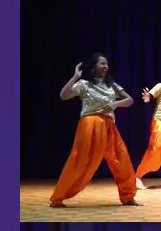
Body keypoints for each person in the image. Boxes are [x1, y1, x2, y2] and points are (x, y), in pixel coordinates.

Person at [49, 53, 139, 208]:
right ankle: (58, 197)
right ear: (93, 66)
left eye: (106, 64)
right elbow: (64, 96)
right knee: (81, 160)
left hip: (109, 124)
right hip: (90, 124)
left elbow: (130, 100)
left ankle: (128, 196)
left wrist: (115, 104)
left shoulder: (111, 84)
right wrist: (75, 77)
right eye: (102, 63)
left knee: (121, 158)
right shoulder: (84, 84)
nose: (106, 66)